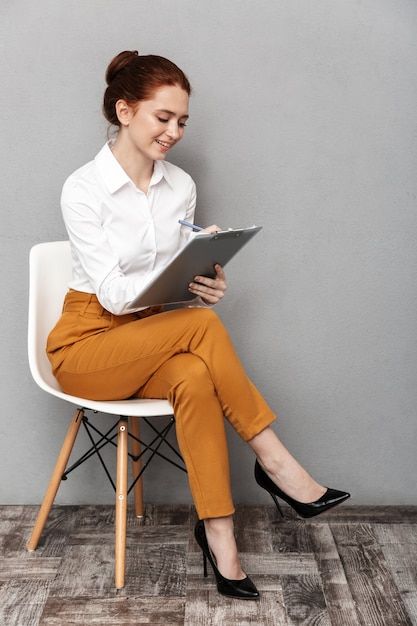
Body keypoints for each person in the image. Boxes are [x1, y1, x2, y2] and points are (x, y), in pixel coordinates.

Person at [46, 50, 350, 600]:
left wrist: (203, 280)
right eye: (163, 117)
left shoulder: (179, 186)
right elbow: (114, 297)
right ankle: (277, 463)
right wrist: (179, 293)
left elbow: (167, 293)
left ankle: (220, 538)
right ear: (124, 110)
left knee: (194, 372)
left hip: (152, 338)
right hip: (86, 345)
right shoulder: (82, 189)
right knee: (199, 331)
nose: (174, 131)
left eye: (182, 121)